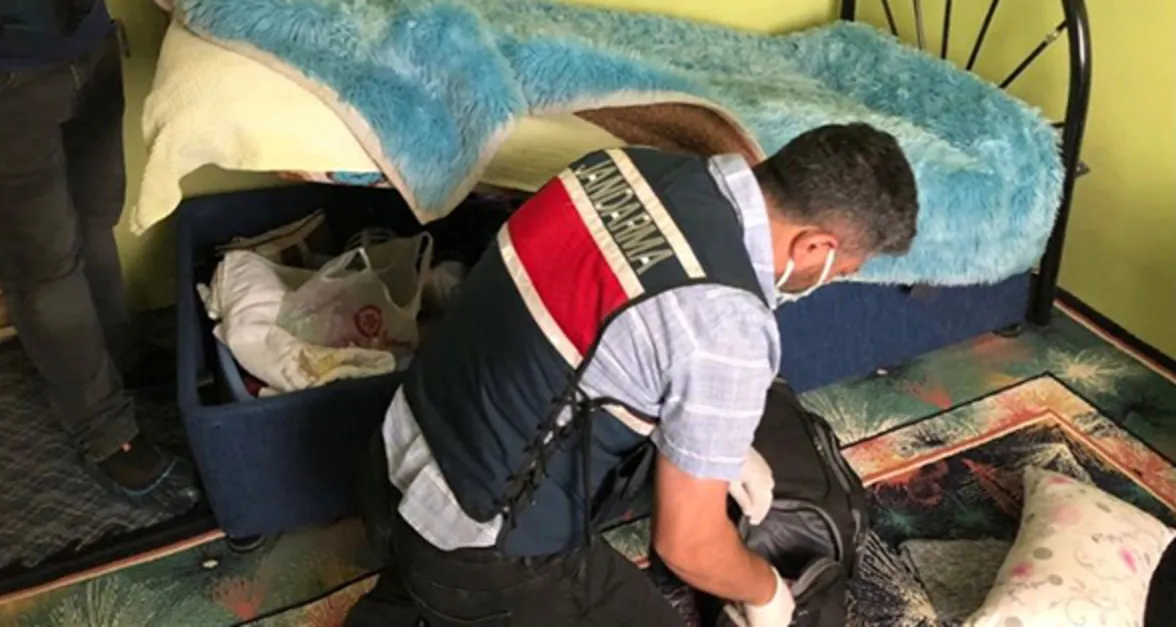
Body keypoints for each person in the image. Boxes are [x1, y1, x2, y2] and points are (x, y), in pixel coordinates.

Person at [346, 124, 919, 626]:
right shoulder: (728, 324)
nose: (831, 279)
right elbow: (687, 545)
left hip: (392, 455)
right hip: (478, 554)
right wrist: (765, 591)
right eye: (841, 270)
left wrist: (719, 449)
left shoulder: (622, 167)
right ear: (815, 245)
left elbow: (603, 331)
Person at [0, 1, 198, 511]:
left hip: (87, 42)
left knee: (96, 216)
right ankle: (105, 431)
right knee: (43, 265)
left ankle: (119, 354)